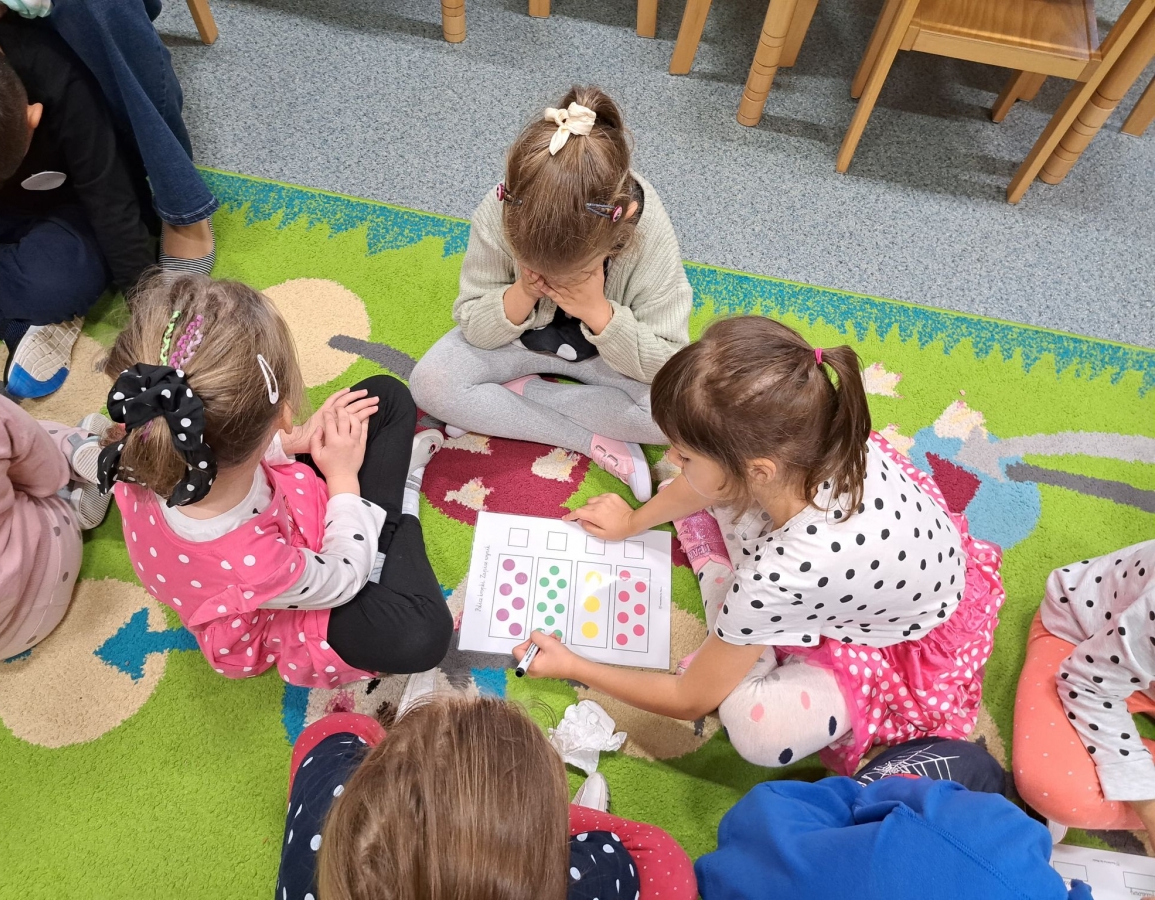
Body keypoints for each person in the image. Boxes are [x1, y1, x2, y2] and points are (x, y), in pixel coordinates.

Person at [513, 316, 1005, 775]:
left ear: (759, 471)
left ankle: (729, 599)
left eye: (685, 454)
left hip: (903, 646)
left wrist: (574, 665)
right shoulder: (817, 430)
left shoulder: (775, 576)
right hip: (903, 571)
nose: (672, 458)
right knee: (707, 493)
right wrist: (632, 522)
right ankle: (744, 631)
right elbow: (710, 483)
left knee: (755, 729)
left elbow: (690, 698)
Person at [98, 273, 453, 686]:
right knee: (423, 634)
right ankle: (392, 520)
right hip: (274, 602)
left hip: (278, 516)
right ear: (282, 413)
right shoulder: (254, 562)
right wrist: (342, 478)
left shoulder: (142, 444)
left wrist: (292, 441)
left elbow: (214, 448)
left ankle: (374, 525)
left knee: (382, 398)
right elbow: (343, 579)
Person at [409, 85, 693, 503]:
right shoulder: (503, 206)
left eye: (576, 272)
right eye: (534, 267)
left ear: (623, 223)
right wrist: (522, 293)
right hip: (514, 343)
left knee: (679, 415)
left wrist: (599, 313)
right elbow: (473, 323)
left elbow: (669, 362)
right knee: (430, 384)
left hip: (611, 360)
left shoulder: (648, 232)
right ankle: (589, 439)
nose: (552, 284)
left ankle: (522, 393)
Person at [277, 697, 697, 900]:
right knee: (652, 861)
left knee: (333, 739)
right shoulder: (587, 881)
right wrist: (546, 819)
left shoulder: (319, 862)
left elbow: (328, 733)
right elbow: (658, 854)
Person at [0, 19, 154, 397]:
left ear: (33, 115)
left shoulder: (62, 83)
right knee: (47, 286)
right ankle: (12, 324)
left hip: (61, 213)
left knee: (57, 284)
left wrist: (151, 311)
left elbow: (114, 204)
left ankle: (6, 306)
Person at [0, 0, 217, 271]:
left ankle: (182, 207)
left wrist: (142, 285)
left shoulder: (62, 85)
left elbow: (109, 196)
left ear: (32, 114)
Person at [694, 743, 1086, 900]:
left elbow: (879, 796)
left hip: (748, 844)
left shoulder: (1005, 840)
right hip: (730, 879)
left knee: (974, 764)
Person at [0, 378, 109, 669]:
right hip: (47, 560)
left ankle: (73, 494)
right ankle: (79, 451)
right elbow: (45, 476)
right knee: (22, 437)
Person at [1013, 541, 1155, 834]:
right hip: (1082, 640)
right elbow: (1085, 684)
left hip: (1133, 662)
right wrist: (1149, 806)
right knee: (1056, 786)